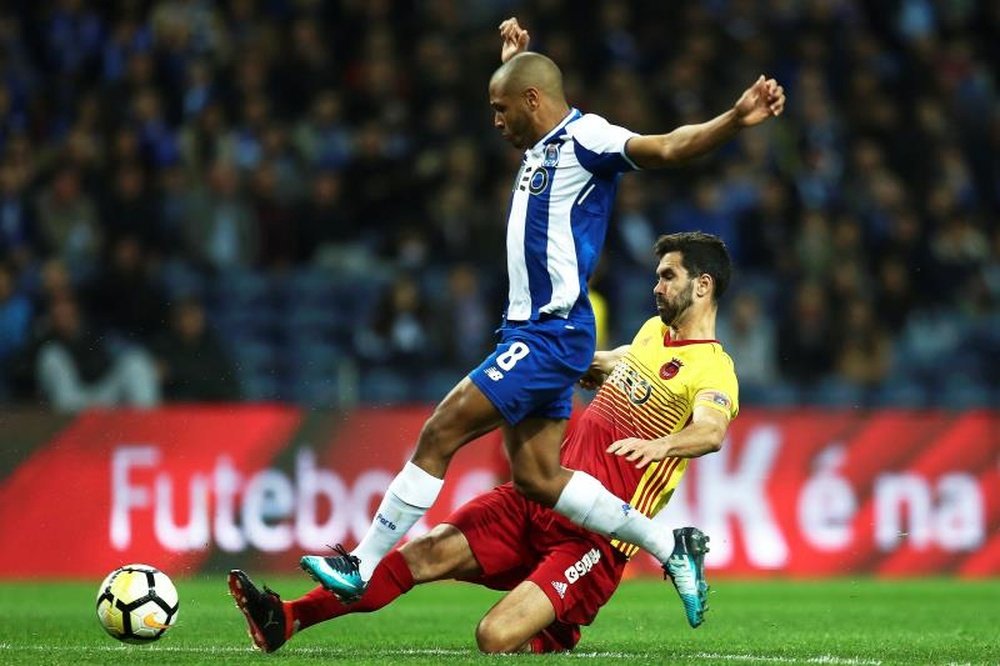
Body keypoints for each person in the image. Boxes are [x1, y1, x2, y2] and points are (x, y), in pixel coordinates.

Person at [299, 17, 781, 603]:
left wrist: (733, 120)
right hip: (530, 332)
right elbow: (528, 92)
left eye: (503, 108)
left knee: (440, 431)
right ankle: (668, 546)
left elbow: (667, 147)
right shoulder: (541, 145)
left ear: (533, 100)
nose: (496, 122)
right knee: (538, 478)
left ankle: (363, 563)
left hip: (550, 334)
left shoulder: (589, 139)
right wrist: (514, 59)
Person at [231, 232, 740, 653]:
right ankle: (287, 619)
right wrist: (574, 364)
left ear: (702, 286)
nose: (656, 286)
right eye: (657, 275)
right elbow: (616, 360)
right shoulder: (653, 333)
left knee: (494, 638)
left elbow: (711, 429)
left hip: (595, 537)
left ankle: (558, 630)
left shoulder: (714, 367)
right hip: (538, 497)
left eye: (668, 276)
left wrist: (662, 445)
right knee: (420, 554)